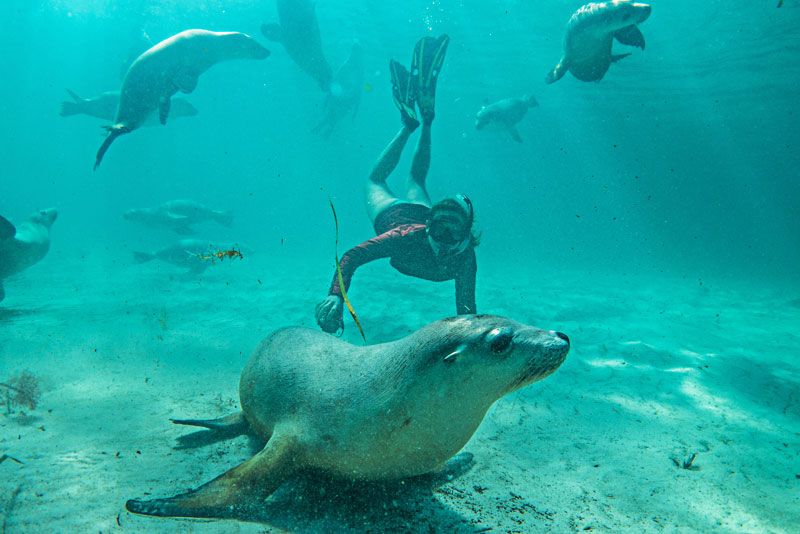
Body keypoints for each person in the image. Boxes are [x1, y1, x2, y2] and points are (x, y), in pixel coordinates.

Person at [315, 34, 480, 334]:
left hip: (420, 212)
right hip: (396, 215)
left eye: (448, 235)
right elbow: (352, 256)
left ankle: (415, 124)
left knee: (407, 179)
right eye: (438, 233)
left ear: (467, 234)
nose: (441, 243)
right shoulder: (423, 241)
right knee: (378, 179)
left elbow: (466, 313)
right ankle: (415, 124)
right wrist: (335, 296)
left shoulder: (455, 250)